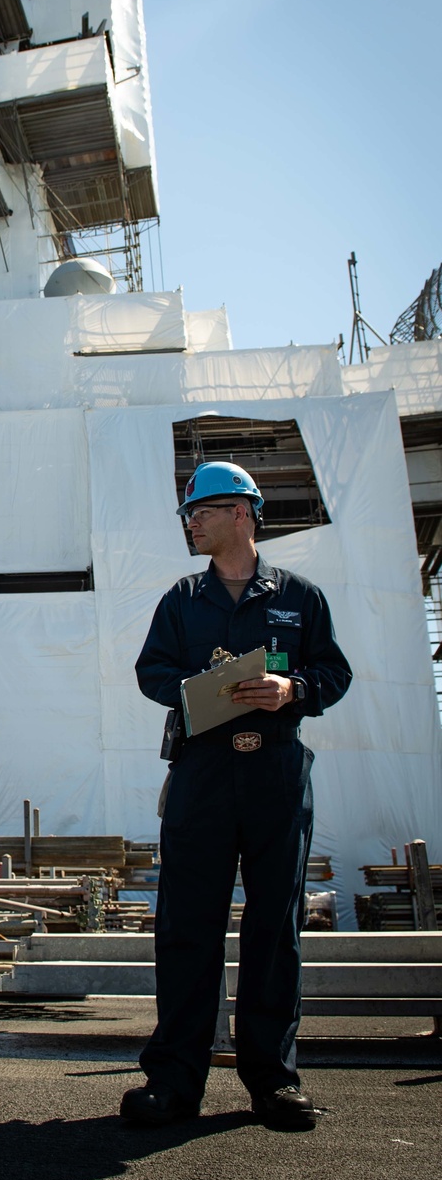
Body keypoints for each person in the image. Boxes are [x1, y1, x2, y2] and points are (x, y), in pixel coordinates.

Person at [121, 462, 352, 1131]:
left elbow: (332, 671)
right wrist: (203, 687)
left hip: (276, 772)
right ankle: (174, 1082)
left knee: (274, 929)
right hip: (203, 771)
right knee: (188, 926)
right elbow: (150, 672)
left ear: (243, 513)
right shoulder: (182, 599)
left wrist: (292, 689)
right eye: (189, 513)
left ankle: (273, 1082)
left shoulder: (299, 597)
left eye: (201, 510)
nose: (190, 521)